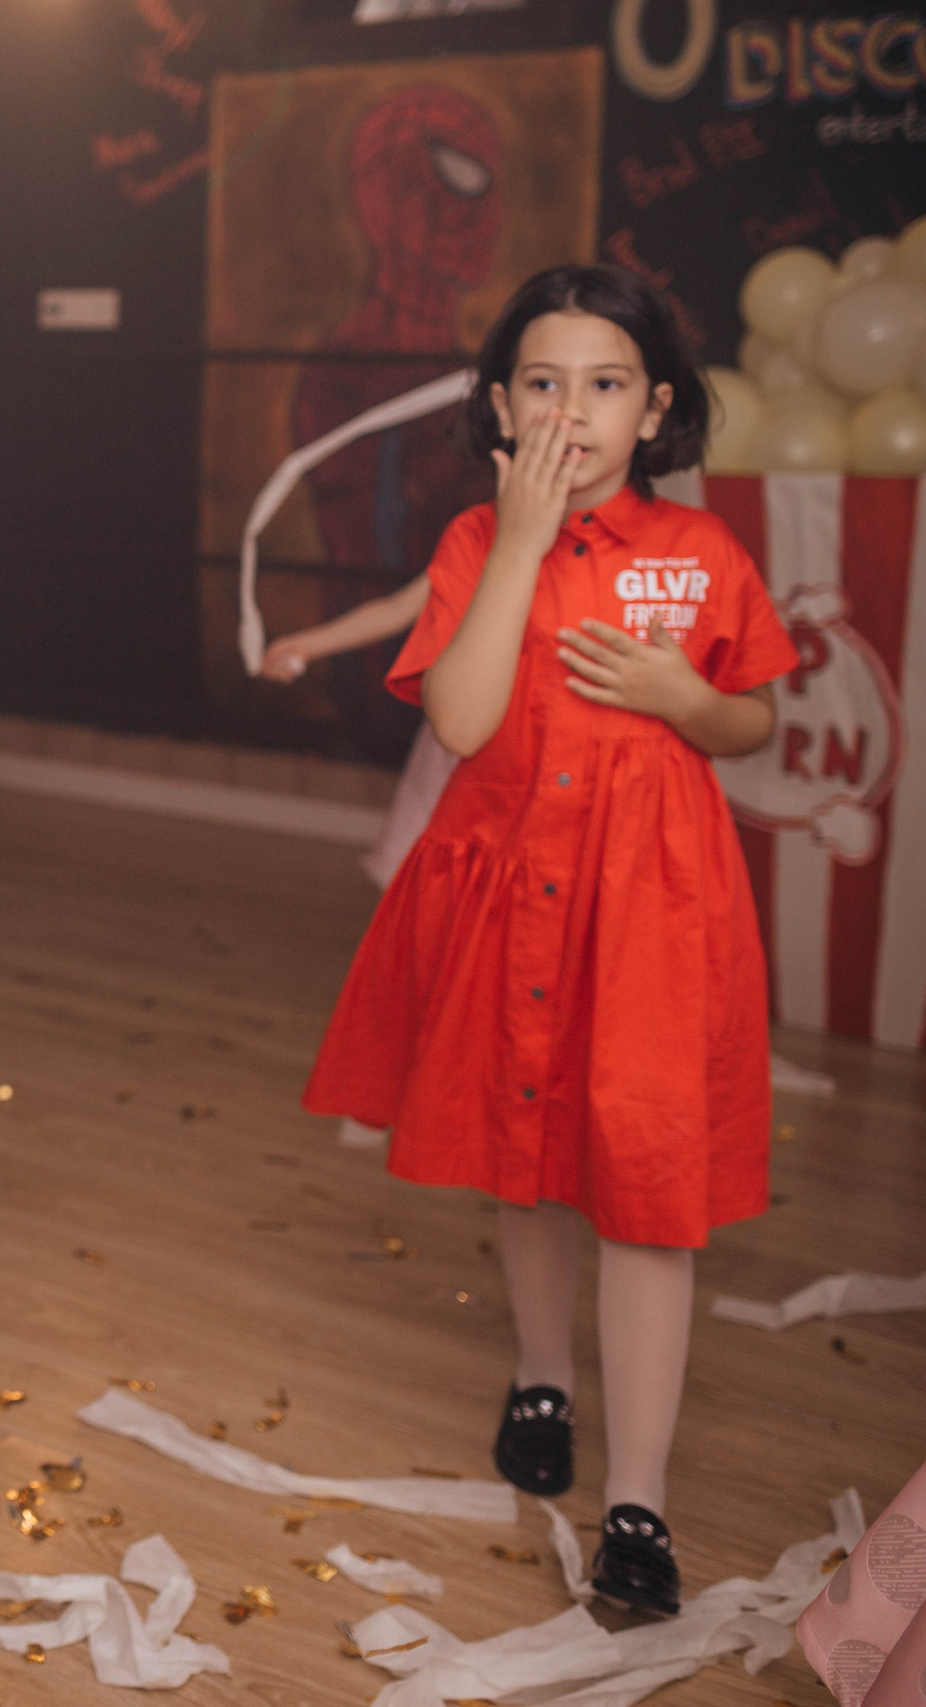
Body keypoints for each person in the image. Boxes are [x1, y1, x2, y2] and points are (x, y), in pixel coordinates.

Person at [302, 265, 796, 1616]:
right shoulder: (473, 545)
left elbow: (756, 719)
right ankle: (540, 1373)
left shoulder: (703, 559)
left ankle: (638, 1501)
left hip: (652, 909)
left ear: (658, 409)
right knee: (526, 1158)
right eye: (541, 379)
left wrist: (688, 696)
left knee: (646, 1185)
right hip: (510, 889)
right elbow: (459, 722)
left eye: (604, 381)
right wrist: (518, 546)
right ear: (501, 406)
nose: (571, 408)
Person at [259, 575, 450, 888]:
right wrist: (306, 645)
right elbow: (397, 608)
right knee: (428, 883)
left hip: (532, 749)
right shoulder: (477, 537)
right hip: (453, 746)